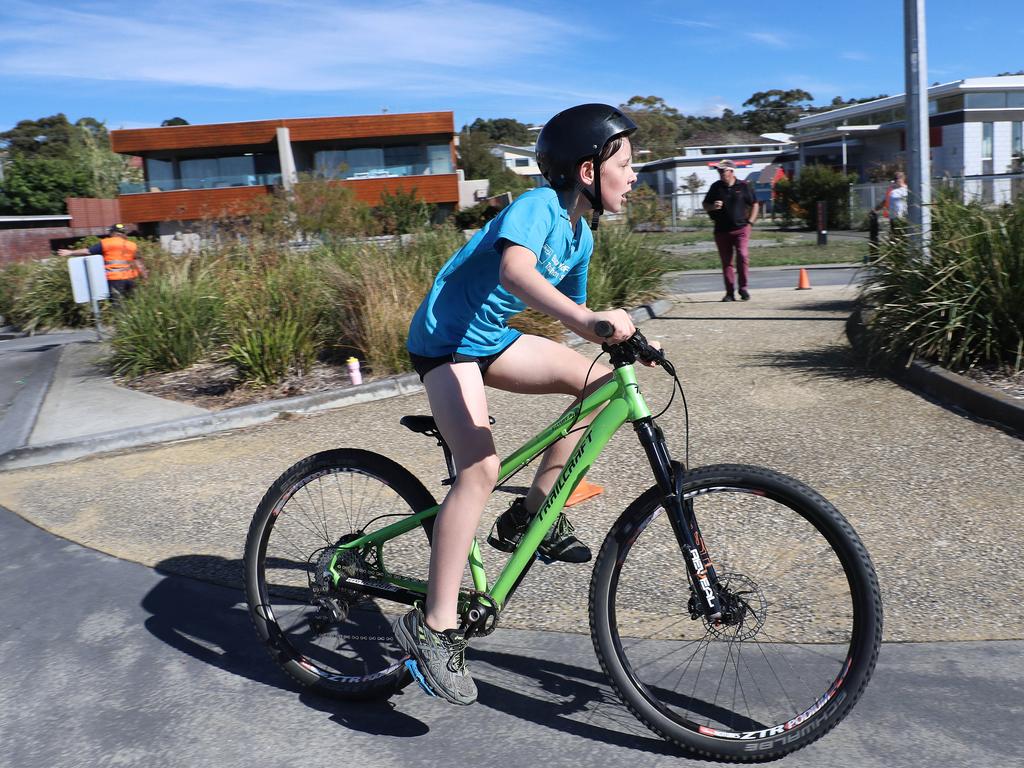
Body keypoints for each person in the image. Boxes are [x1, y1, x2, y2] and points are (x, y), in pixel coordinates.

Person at [394, 104, 648, 706]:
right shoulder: (537, 207)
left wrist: (619, 337)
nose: (635, 177)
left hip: (492, 343)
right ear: (588, 170)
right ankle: (433, 628)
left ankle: (533, 511)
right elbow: (514, 272)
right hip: (446, 342)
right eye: (627, 164)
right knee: (479, 468)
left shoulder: (580, 234)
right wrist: (589, 318)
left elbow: (579, 325)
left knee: (596, 378)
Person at [701, 159, 759, 301]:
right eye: (719, 171)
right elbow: (705, 205)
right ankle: (729, 293)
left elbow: (755, 204)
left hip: (741, 229)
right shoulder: (716, 187)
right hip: (721, 230)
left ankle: (743, 288)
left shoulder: (744, 186)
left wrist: (750, 222)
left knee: (743, 256)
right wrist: (713, 206)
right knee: (727, 262)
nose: (720, 173)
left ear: (731, 171)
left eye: (723, 170)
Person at [58, 224, 147, 302]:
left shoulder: (106, 243)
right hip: (130, 280)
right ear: (123, 233)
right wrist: (145, 279)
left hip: (114, 280)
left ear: (113, 233)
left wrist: (70, 252)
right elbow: (140, 264)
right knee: (132, 305)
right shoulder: (132, 245)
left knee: (118, 308)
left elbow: (87, 251)